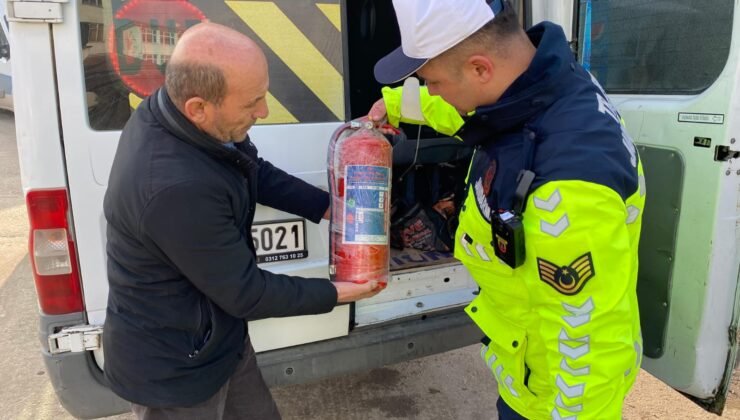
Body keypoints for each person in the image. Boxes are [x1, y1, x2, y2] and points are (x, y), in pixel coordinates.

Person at [370, 0, 645, 419]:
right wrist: (394, 105)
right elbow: (464, 111)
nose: (430, 92)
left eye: (431, 81)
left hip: (551, 394)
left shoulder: (567, 187)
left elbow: (588, 342)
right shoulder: (546, 85)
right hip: (526, 365)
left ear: (481, 68)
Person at [103, 22, 381, 420]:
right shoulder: (173, 187)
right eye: (253, 103)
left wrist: (331, 208)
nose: (263, 112)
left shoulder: (181, 116)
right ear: (198, 107)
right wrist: (340, 292)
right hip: (174, 372)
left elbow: (253, 170)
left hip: (220, 340)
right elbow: (247, 293)